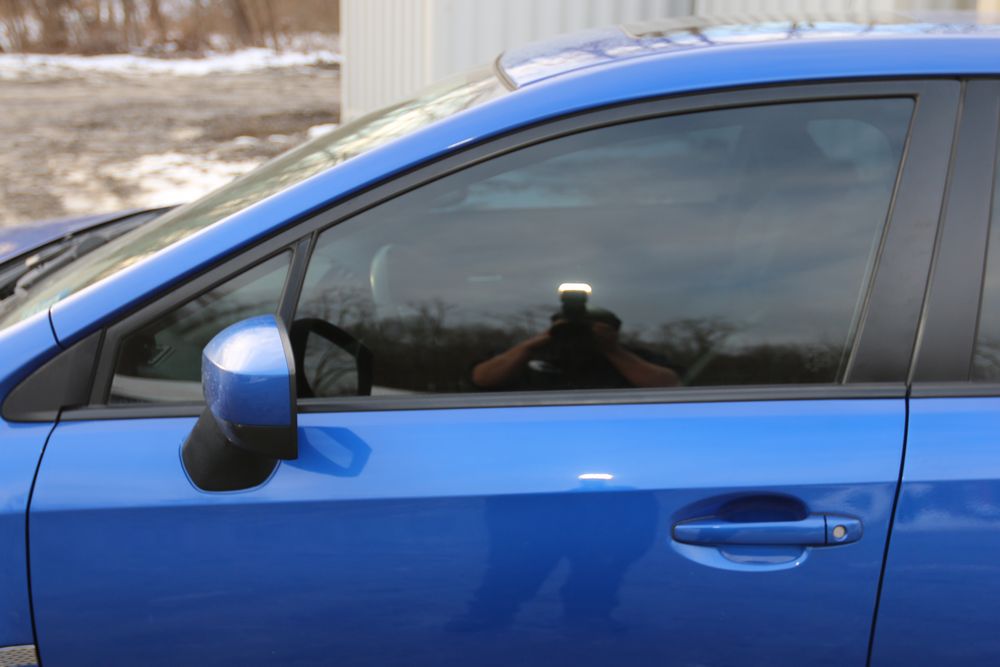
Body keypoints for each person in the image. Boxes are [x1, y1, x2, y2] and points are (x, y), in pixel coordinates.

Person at [471, 306, 680, 391]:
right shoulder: (528, 355)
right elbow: (483, 378)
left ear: (614, 332)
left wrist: (612, 350)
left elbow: (669, 385)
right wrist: (533, 344)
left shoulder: (633, 357)